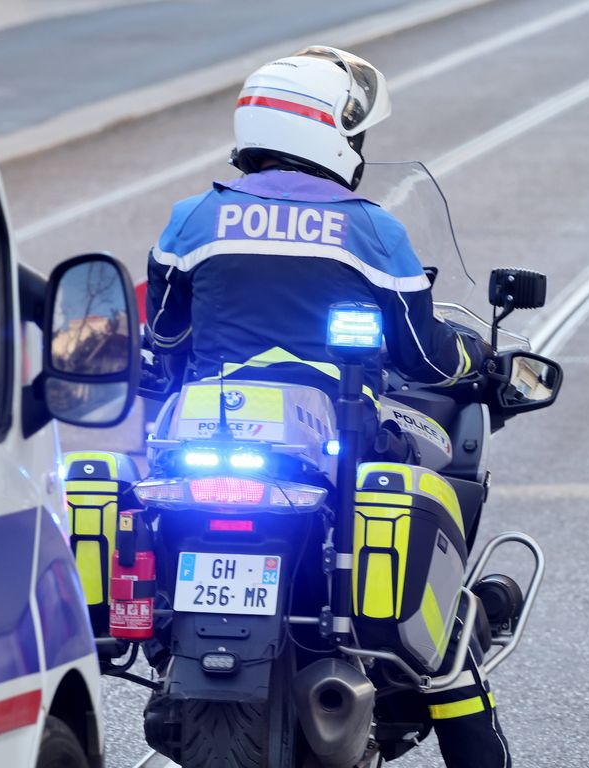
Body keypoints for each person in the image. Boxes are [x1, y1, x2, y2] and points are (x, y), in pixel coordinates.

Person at [144, 47, 507, 767]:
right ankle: (452, 669)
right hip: (335, 443)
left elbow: (165, 335)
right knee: (440, 598)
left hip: (207, 434)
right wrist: (480, 364)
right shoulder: (371, 229)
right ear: (332, 136)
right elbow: (422, 357)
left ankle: (164, 635)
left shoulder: (192, 220)